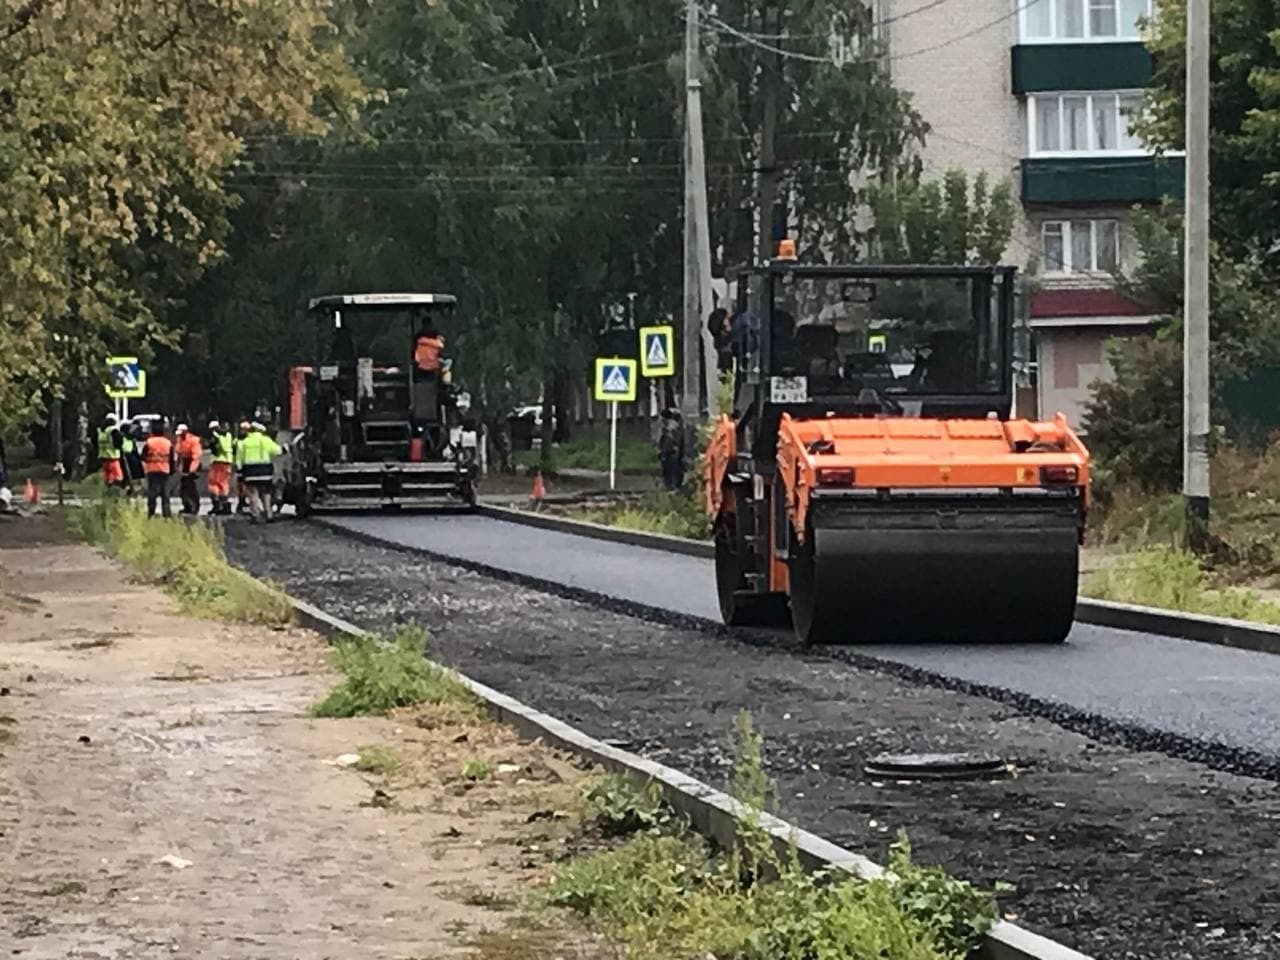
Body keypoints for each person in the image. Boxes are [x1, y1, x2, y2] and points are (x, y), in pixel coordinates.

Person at [235, 421, 282, 523]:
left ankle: (256, 515)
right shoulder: (266, 440)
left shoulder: (244, 442)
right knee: (266, 493)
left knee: (253, 494)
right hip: (265, 472)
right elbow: (278, 451)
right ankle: (269, 514)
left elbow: (239, 460)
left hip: (250, 472)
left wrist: (239, 472)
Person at [140, 419, 174, 518]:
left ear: (153, 432)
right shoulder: (168, 443)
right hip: (164, 470)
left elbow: (143, 456)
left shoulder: (149, 442)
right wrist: (172, 470)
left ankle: (151, 513)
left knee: (152, 493)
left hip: (152, 470)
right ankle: (166, 514)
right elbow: (171, 459)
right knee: (165, 493)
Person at [206, 420, 235, 516]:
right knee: (224, 483)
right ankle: (225, 505)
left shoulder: (215, 436)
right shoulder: (228, 436)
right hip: (227, 462)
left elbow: (215, 449)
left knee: (213, 483)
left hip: (217, 462)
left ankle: (217, 505)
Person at [174, 424, 203, 515]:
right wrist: (179, 468)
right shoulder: (180, 440)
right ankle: (187, 506)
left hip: (192, 464)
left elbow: (196, 457)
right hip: (185, 463)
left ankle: (194, 506)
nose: (179, 436)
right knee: (183, 487)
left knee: (190, 487)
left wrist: (191, 470)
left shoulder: (193, 441)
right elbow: (179, 455)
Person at [97, 414, 127, 491]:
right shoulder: (112, 430)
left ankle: (107, 492)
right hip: (113, 457)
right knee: (118, 477)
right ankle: (115, 492)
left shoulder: (101, 431)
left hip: (103, 457)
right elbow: (119, 442)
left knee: (107, 477)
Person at [657, 408, 685, 491]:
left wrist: (663, 453)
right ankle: (675, 488)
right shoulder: (676, 427)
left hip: (670, 455)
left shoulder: (670, 429)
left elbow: (668, 442)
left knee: (670, 474)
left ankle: (672, 489)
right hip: (675, 454)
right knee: (675, 473)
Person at [234, 420, 251, 514]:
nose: (242, 431)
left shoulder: (247, 441)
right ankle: (242, 501)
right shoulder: (237, 441)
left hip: (247, 465)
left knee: (246, 486)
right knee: (241, 486)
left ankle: (243, 501)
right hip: (241, 466)